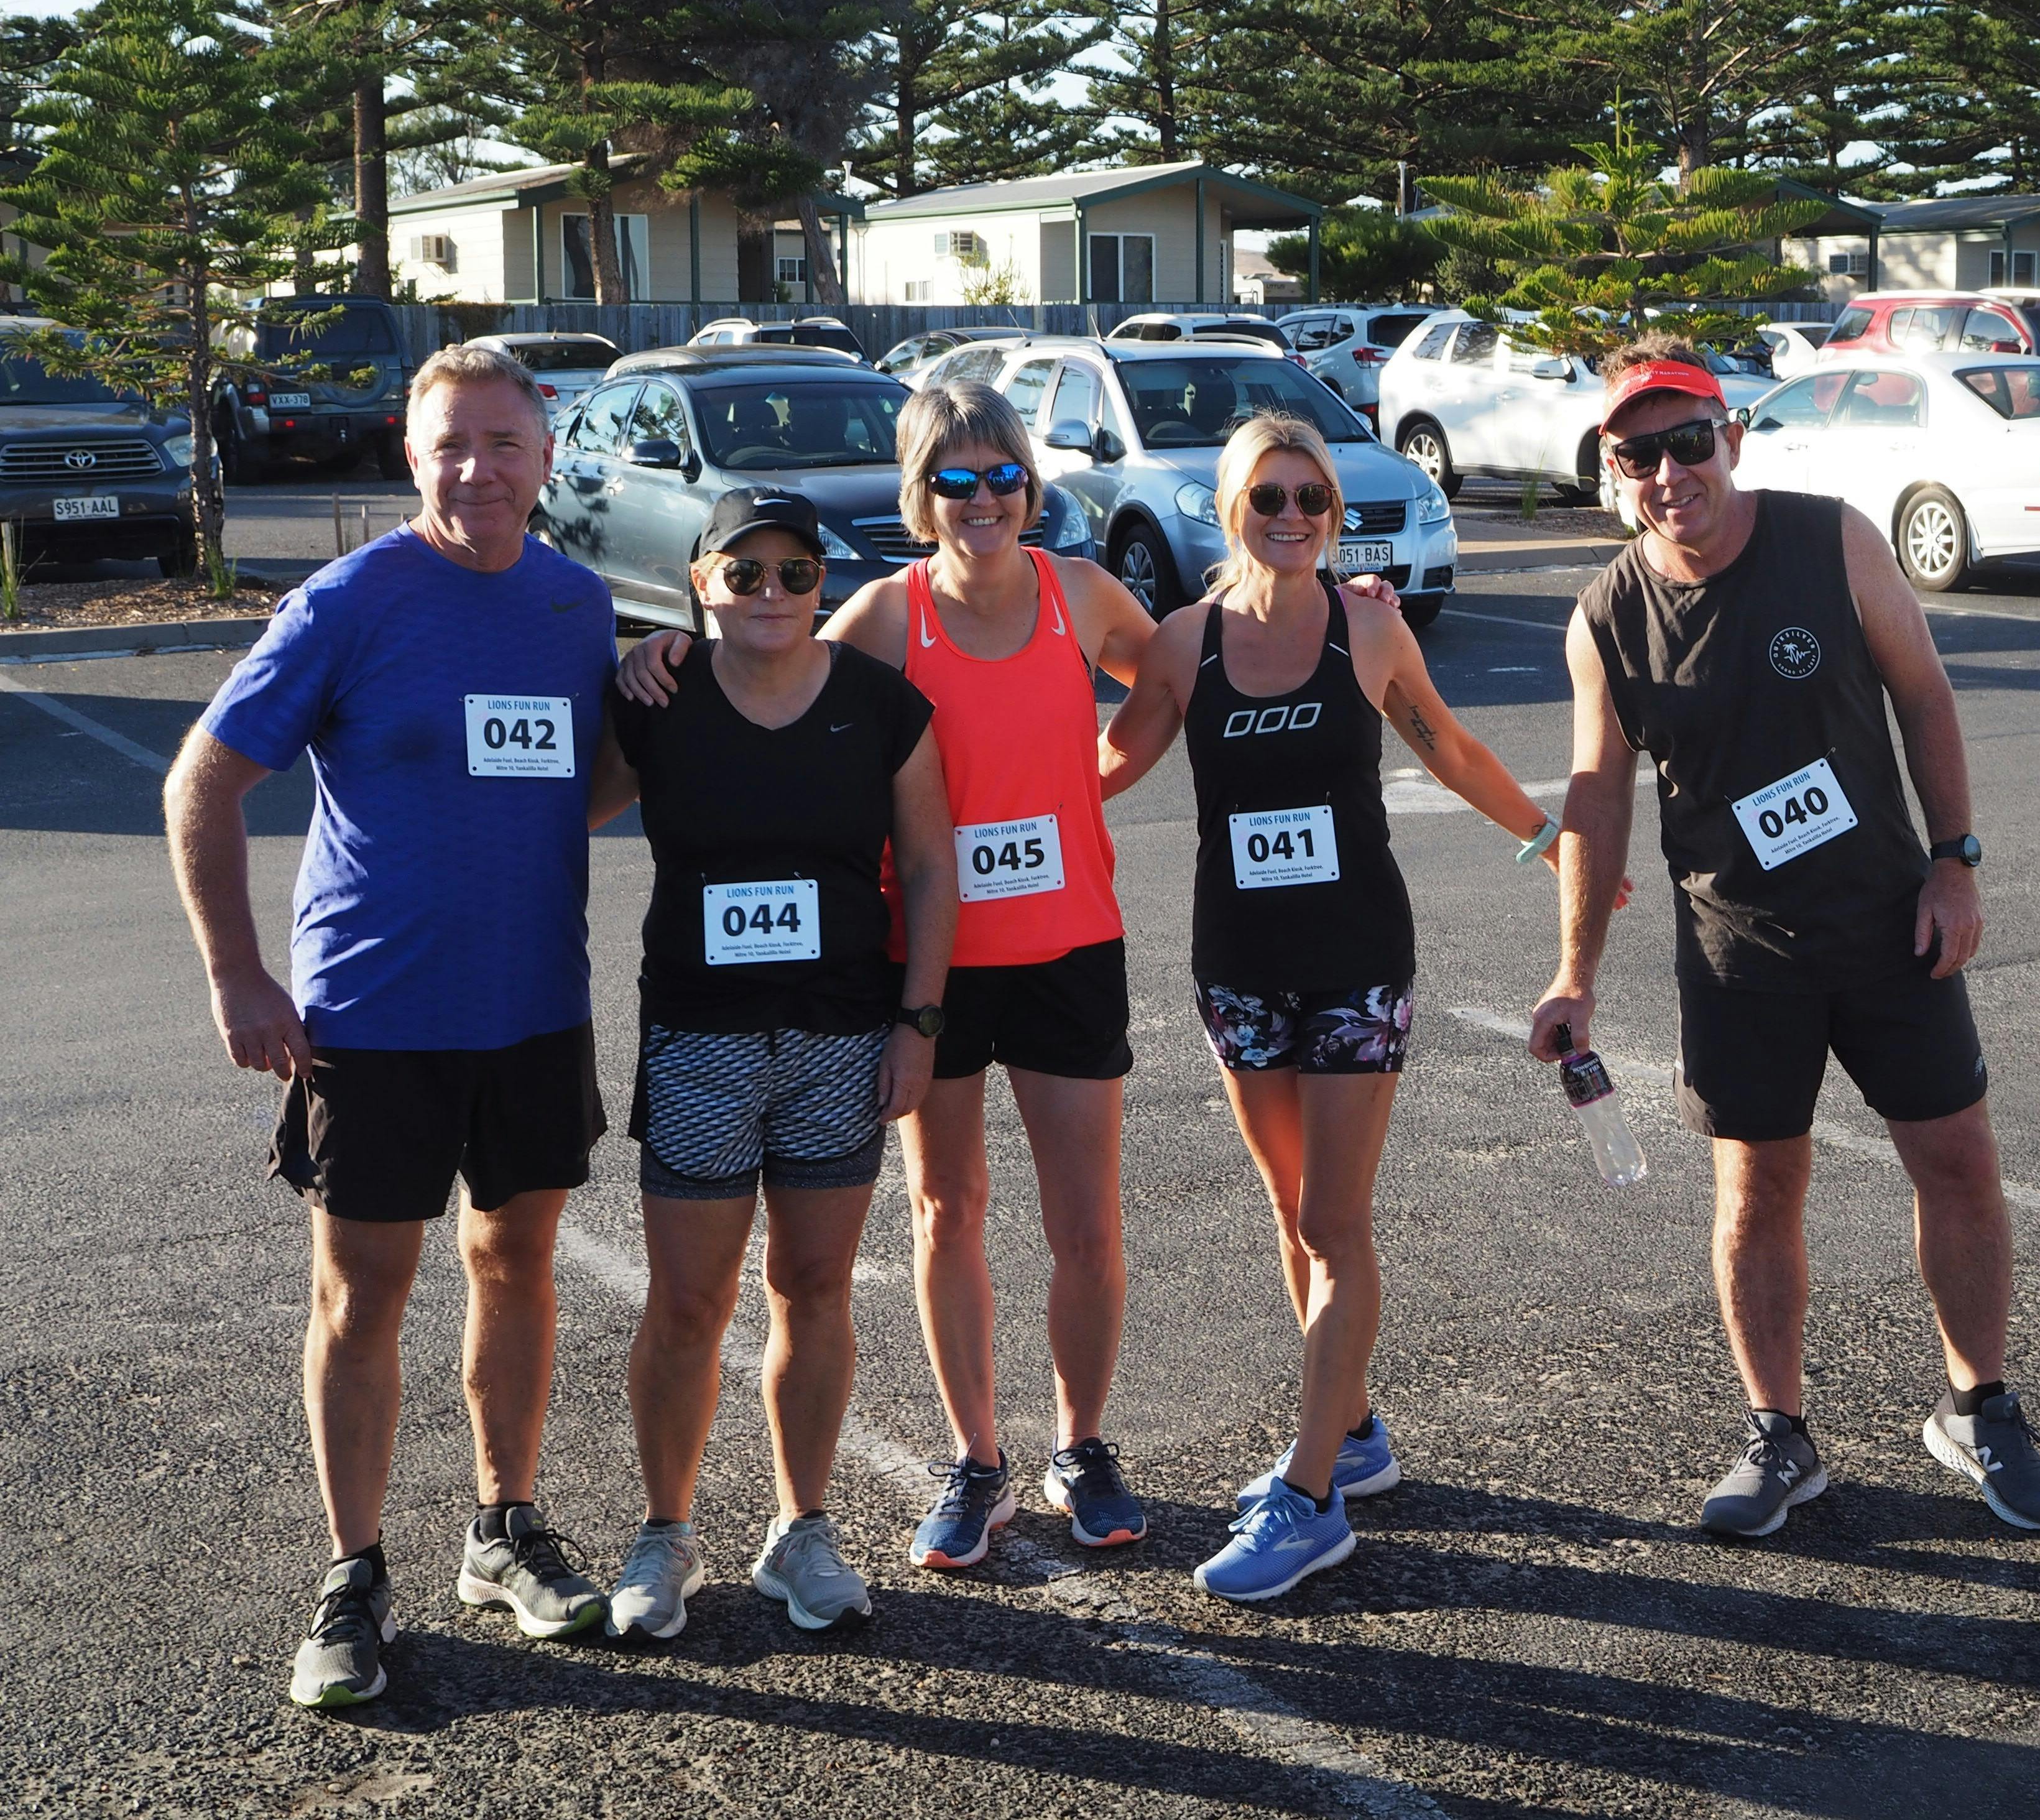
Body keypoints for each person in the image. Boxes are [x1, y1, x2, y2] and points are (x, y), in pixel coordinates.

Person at [1527, 337, 2040, 1541]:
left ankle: (1979, 1409)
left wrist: (1955, 862)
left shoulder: (1832, 541)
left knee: (1957, 1160)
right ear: (1613, 472)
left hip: (1889, 923)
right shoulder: (1607, 616)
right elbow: (1598, 796)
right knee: (1757, 1190)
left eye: (1689, 442)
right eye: (1638, 454)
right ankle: (1779, 1434)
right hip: (1741, 954)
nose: (1669, 472)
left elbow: (1924, 693)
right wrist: (1575, 974)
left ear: (1731, 438)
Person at [617, 382, 1161, 1569]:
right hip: (927, 962)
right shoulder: (880, 615)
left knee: (1086, 1222)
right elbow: (769, 661)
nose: (984, 499)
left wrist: (1096, 777)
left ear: (1031, 487)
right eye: (956, 480)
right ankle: (979, 1459)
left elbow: (1172, 673)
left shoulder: (1078, 593)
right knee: (945, 1210)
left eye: (1004, 475)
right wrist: (668, 647)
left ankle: (1082, 1445)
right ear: (922, 496)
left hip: (1070, 947)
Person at [163, 345, 629, 1711]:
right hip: (372, 1015)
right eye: (450, 445)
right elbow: (202, 782)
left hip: (535, 1004)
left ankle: (504, 1531)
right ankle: (353, 1574)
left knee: (518, 1263)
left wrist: (660, 696)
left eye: (504, 443)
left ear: (546, 459)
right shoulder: (349, 601)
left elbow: (577, 783)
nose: (478, 469)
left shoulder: (575, 602)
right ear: (411, 457)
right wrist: (238, 975)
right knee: (363, 1294)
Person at [1099, 411, 1577, 1602]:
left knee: (1333, 1219)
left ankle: (1311, 1497)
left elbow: (1445, 744)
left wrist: (1550, 840)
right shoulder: (1185, 644)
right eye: (1270, 498)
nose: (1295, 518)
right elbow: (1102, 768)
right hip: (1239, 964)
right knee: (1290, 1207)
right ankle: (1353, 1430)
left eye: (1313, 498)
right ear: (1232, 510)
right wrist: (944, 789)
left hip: (1358, 958)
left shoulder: (1367, 627)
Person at [601, 488, 958, 1640]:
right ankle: (664, 1534)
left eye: (795, 572)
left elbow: (931, 867)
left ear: (822, 583)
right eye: (743, 572)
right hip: (699, 1040)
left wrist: (919, 1024)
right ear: (700, 583)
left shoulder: (881, 705)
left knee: (813, 1286)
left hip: (841, 1041)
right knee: (689, 1300)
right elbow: (562, 810)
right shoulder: (657, 700)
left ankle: (802, 1530)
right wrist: (621, 672)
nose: (771, 593)